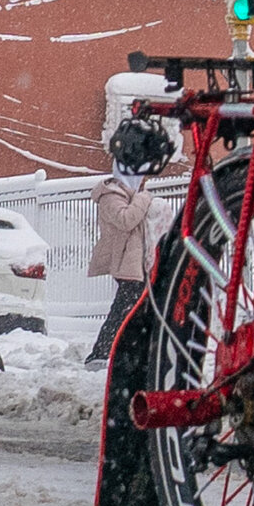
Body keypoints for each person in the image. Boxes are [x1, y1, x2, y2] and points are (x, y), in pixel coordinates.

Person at [85, 157, 158, 367]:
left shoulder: (129, 195)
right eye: (140, 175)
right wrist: (144, 199)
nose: (143, 180)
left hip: (136, 263)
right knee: (123, 310)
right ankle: (100, 353)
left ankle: (128, 354)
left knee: (136, 310)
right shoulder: (111, 196)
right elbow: (126, 220)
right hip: (125, 263)